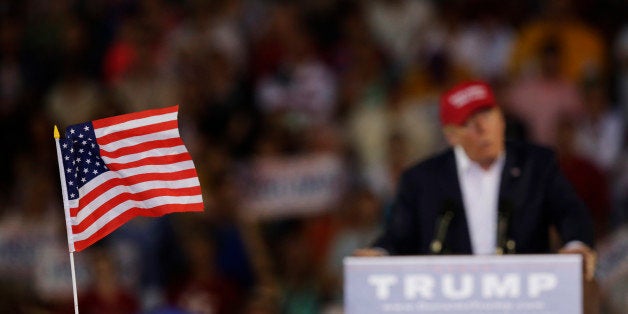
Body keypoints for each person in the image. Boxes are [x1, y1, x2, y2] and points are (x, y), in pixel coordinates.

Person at [354, 80, 596, 281]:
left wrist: (576, 245)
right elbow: (398, 234)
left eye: (488, 115)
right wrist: (378, 254)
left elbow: (569, 211)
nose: (483, 129)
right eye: (469, 123)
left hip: (522, 295)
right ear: (451, 136)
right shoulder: (421, 180)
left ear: (501, 118)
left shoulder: (536, 164)